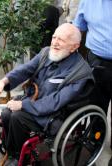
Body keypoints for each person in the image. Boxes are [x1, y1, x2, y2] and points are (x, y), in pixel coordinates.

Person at [0, 23, 93, 164]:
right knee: (6, 113)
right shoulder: (46, 52)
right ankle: (12, 150)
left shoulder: (80, 73)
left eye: (61, 40)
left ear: (74, 46)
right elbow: (25, 69)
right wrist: (4, 81)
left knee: (17, 117)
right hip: (34, 100)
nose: (55, 42)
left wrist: (23, 104)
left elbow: (56, 101)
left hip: (55, 114)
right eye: (54, 37)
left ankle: (20, 159)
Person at [73, 0, 112, 163]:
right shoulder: (88, 1)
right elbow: (77, 28)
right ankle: (96, 143)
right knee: (96, 107)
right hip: (97, 61)